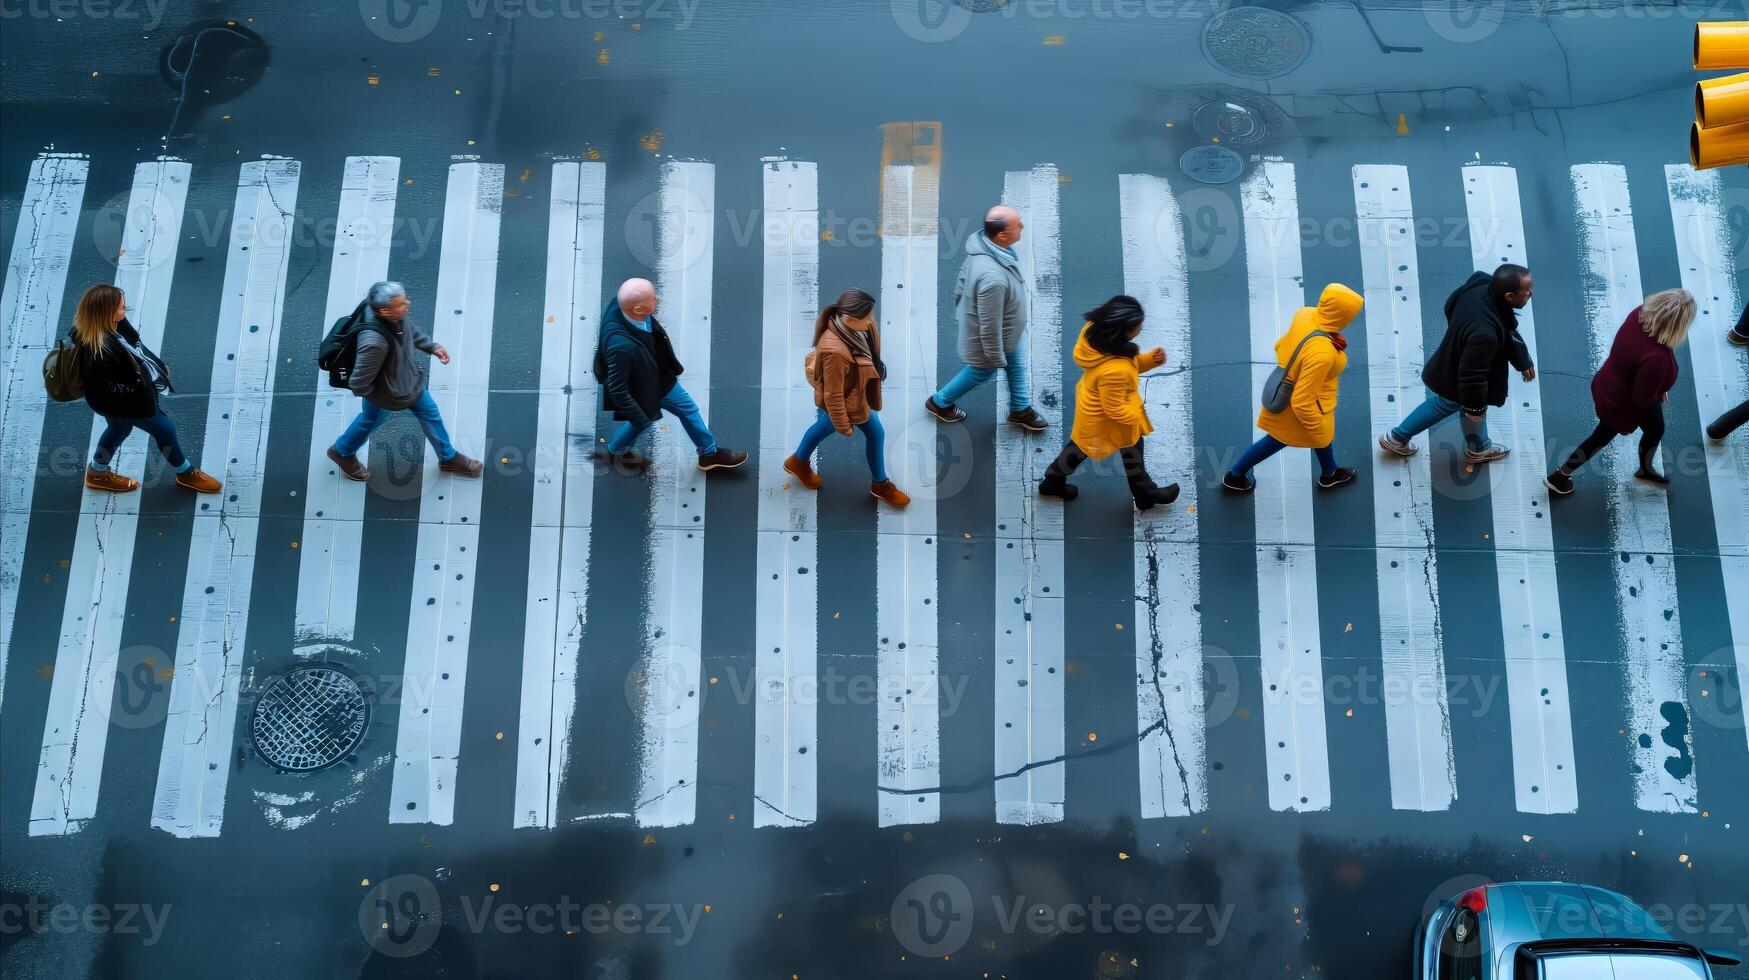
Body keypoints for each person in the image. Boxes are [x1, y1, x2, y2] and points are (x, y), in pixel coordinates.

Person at [71, 283, 221, 494]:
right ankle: (185, 473)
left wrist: (156, 367)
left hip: (118, 404)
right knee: (165, 429)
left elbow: (137, 350)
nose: (125, 310)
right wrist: (139, 385)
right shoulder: (99, 350)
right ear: (106, 313)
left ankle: (96, 474)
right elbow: (106, 386)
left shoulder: (114, 327)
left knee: (118, 429)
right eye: (121, 307)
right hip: (126, 403)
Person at [327, 281, 482, 481]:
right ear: (384, 311)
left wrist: (432, 347)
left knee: (427, 415)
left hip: (407, 382)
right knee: (375, 418)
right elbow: (358, 382)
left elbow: (408, 330)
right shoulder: (374, 343)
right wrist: (387, 392)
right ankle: (342, 452)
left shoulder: (391, 316)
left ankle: (448, 457)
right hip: (392, 392)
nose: (407, 303)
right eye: (401, 304)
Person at [1378, 264, 1533, 463]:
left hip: (1453, 358)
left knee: (1458, 403)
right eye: (1526, 291)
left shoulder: (1479, 283)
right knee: (1458, 404)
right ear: (1509, 296)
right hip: (1459, 373)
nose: (1531, 293)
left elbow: (1452, 305)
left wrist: (1522, 359)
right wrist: (1475, 410)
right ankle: (1398, 438)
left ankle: (1479, 447)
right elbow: (1472, 379)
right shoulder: (1485, 335)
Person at [1546, 289, 1695, 496]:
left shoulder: (1639, 315)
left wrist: (1658, 386)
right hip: (1622, 405)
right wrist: (1655, 391)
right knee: (1601, 437)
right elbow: (1641, 399)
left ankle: (1645, 469)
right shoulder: (1657, 359)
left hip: (1609, 383)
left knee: (1655, 429)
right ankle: (1560, 476)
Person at [1037, 295, 1179, 509]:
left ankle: (1053, 482)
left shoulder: (1095, 334)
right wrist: (1136, 413)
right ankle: (1144, 494)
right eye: (1137, 326)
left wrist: (1148, 361)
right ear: (1122, 331)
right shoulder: (1116, 370)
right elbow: (1115, 407)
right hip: (1105, 420)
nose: (1140, 328)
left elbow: (1124, 364)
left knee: (1084, 448)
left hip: (1093, 408)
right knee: (1122, 448)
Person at [1223, 284, 1365, 493]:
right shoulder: (1322, 353)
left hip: (1296, 386)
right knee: (1281, 439)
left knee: (1303, 438)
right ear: (1342, 316)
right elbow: (1301, 401)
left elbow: (1282, 345)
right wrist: (1316, 429)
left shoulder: (1305, 314)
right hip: (1304, 403)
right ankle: (1235, 476)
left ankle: (1330, 472)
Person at [595, 277, 745, 472]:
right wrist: (638, 412)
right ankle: (709, 454)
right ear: (638, 310)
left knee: (643, 421)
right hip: (652, 385)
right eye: (652, 298)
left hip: (651, 377)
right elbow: (617, 387)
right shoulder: (621, 347)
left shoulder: (624, 308)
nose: (656, 298)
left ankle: (616, 450)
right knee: (686, 410)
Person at [923, 205, 1047, 432]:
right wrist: (994, 356)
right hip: (992, 338)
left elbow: (962, 281)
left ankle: (1020, 409)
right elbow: (989, 325)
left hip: (1006, 329)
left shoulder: (987, 248)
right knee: (982, 370)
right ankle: (940, 402)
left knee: (1016, 362)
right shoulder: (993, 278)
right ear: (1002, 235)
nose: (1022, 227)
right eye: (1017, 225)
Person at [782, 288, 909, 507]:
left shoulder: (853, 328)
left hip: (855, 394)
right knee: (875, 433)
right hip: (850, 402)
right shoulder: (835, 352)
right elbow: (833, 394)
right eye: (868, 316)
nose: (872, 320)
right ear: (850, 318)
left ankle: (798, 461)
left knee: (825, 426)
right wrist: (844, 424)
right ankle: (880, 484)